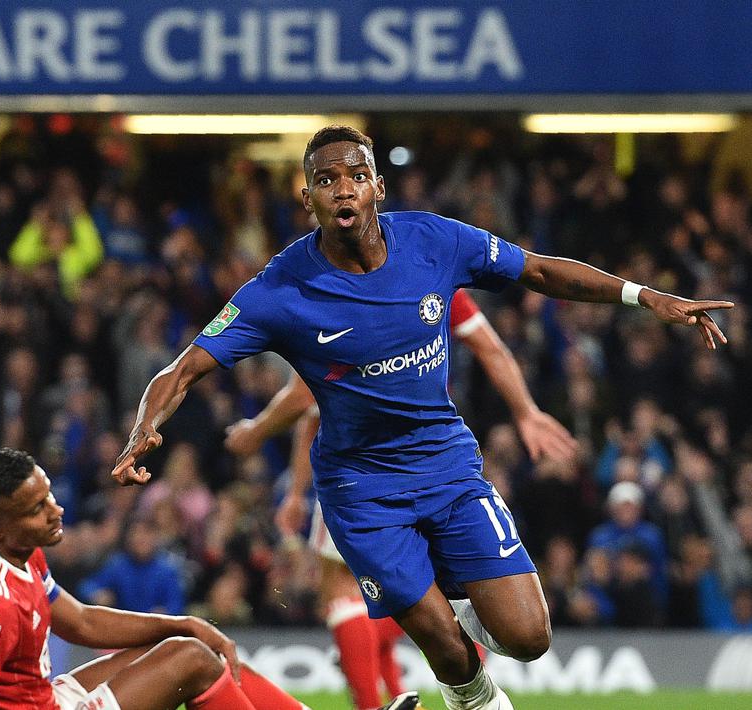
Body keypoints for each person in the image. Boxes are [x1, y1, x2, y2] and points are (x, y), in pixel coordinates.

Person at [113, 126, 733, 710]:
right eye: (326, 180)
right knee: (440, 641)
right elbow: (186, 366)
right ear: (308, 198)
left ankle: (459, 609)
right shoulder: (281, 289)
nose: (343, 189)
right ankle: (475, 697)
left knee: (528, 638)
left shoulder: (435, 241)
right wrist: (145, 426)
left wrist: (645, 296)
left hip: (446, 465)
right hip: (361, 491)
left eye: (356, 175)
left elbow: (539, 270)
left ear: (378, 186)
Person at [225, 290, 577, 710]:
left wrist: (257, 432)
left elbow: (306, 402)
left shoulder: (333, 294)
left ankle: (374, 705)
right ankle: (417, 695)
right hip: (435, 458)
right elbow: (489, 344)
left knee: (344, 592)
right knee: (429, 591)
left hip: (360, 473)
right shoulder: (435, 277)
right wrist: (524, 410)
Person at [0, 447, 342, 710]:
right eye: (36, 509)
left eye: (48, 494)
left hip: (44, 697)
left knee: (186, 643)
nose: (55, 510)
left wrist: (183, 622)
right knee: (190, 659)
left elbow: (81, 621)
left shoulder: (0, 546)